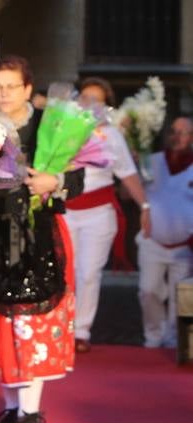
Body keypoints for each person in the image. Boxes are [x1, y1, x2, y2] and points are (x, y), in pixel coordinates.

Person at [0, 57, 84, 423]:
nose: (4, 94)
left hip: (41, 231)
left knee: (38, 317)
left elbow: (79, 176)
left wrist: (54, 180)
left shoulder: (50, 126)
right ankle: (11, 405)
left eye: (12, 86)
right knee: (2, 318)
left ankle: (31, 408)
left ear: (28, 89)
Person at [69, 77, 149, 352]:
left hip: (98, 214)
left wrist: (145, 208)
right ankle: (61, 328)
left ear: (106, 107)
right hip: (65, 211)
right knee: (66, 272)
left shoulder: (111, 135)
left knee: (89, 273)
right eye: (85, 98)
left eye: (97, 100)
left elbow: (127, 173)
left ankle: (81, 331)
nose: (89, 104)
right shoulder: (61, 128)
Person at [137, 117, 192, 349]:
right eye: (174, 131)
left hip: (185, 244)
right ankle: (154, 336)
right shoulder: (151, 161)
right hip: (153, 241)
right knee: (148, 291)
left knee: (181, 296)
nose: (178, 136)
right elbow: (128, 193)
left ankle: (173, 340)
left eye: (185, 132)